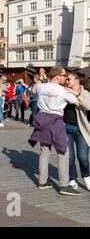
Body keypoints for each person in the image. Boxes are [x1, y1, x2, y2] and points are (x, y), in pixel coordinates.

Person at [28, 67, 82, 196]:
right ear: (57, 76)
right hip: (55, 120)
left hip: (41, 117)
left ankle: (42, 181)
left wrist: (40, 79)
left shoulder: (42, 87)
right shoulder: (63, 91)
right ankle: (64, 185)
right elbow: (80, 105)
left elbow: (33, 91)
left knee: (44, 151)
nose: (65, 78)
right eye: (64, 76)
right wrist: (76, 94)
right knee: (63, 152)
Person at [64, 72, 90, 191]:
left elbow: (87, 106)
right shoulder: (63, 91)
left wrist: (76, 94)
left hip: (80, 130)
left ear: (77, 80)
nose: (67, 81)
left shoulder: (85, 92)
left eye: (69, 79)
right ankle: (72, 178)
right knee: (69, 157)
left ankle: (86, 176)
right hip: (65, 129)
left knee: (83, 157)